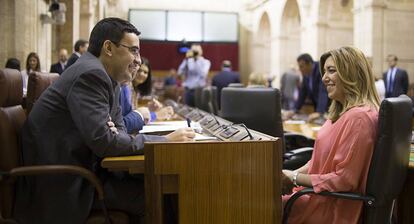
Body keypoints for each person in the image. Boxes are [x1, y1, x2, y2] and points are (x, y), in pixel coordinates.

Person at [14, 17, 195, 224]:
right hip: (65, 184)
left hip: (86, 171)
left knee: (162, 183)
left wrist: (113, 135)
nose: (138, 60)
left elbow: (119, 133)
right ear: (108, 48)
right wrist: (164, 141)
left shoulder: (108, 78)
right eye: (133, 50)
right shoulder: (90, 75)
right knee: (161, 193)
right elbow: (107, 141)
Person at [282, 46, 380, 223]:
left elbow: (344, 180)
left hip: (329, 206)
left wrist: (294, 177)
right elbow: (318, 161)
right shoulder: (341, 112)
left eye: (331, 71)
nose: (324, 78)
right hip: (314, 194)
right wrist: (287, 175)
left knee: (251, 203)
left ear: (351, 74)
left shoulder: (359, 118)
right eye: (324, 71)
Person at [121, 57, 174, 134]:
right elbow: (128, 121)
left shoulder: (135, 89)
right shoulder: (126, 86)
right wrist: (155, 115)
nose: (142, 74)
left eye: (145, 72)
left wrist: (149, 110)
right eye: (139, 70)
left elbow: (134, 114)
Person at [292, 53, 329, 121]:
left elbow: (323, 91)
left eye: (301, 66)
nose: (300, 69)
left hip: (327, 107)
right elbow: (302, 93)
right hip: (317, 107)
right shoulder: (306, 74)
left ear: (309, 64)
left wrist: (319, 112)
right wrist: (294, 110)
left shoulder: (320, 68)